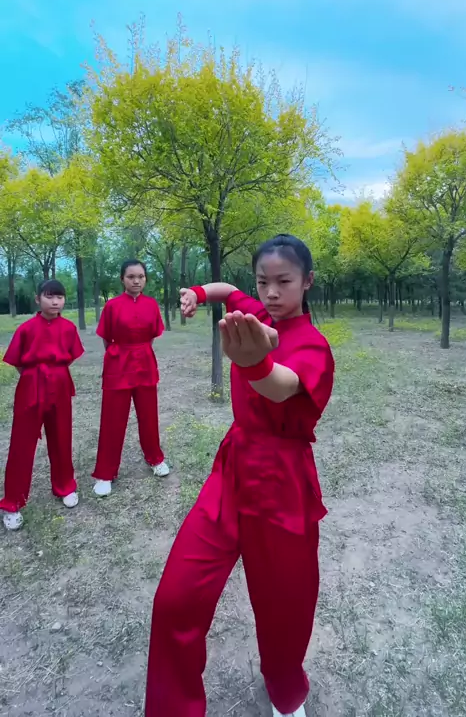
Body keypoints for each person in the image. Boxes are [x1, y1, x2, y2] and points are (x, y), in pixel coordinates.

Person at [145, 234, 335, 717]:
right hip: (232, 472)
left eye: (283, 281)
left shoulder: (312, 345)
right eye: (262, 281)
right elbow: (228, 291)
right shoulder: (255, 315)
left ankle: (287, 695)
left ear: (307, 282)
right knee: (175, 600)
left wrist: (255, 364)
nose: (270, 292)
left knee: (285, 609)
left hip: (283, 485)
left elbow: (282, 387)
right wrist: (196, 293)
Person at [0, 279, 84, 531]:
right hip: (31, 386)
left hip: (59, 384)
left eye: (59, 297)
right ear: (38, 299)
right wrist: (34, 376)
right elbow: (18, 362)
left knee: (61, 437)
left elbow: (70, 356)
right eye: (49, 296)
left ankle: (65, 486)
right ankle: (12, 502)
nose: (55, 302)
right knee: (22, 444)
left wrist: (53, 373)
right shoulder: (25, 329)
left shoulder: (68, 328)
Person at [92, 259, 169, 497]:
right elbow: (106, 338)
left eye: (141, 277)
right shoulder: (112, 306)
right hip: (118, 363)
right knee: (113, 419)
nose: (136, 281)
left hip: (144, 362)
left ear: (145, 279)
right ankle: (105, 473)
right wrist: (121, 354)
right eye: (131, 277)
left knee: (149, 416)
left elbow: (152, 335)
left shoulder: (151, 304)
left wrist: (140, 351)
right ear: (122, 279)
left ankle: (155, 458)